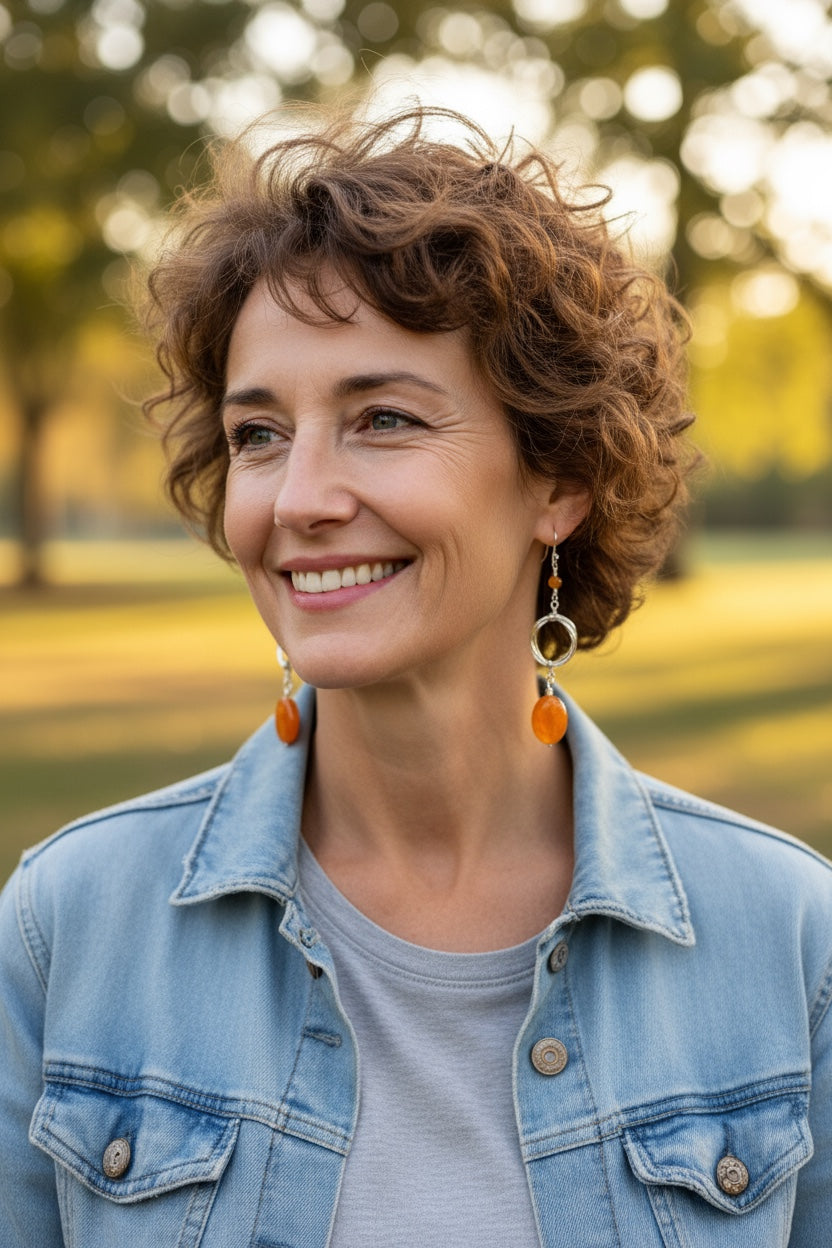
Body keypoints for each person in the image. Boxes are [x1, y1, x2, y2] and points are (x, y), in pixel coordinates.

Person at [0, 106, 830, 1248]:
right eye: (257, 435)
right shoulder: (67, 927)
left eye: (382, 419)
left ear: (557, 480)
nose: (298, 500)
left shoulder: (790, 939)